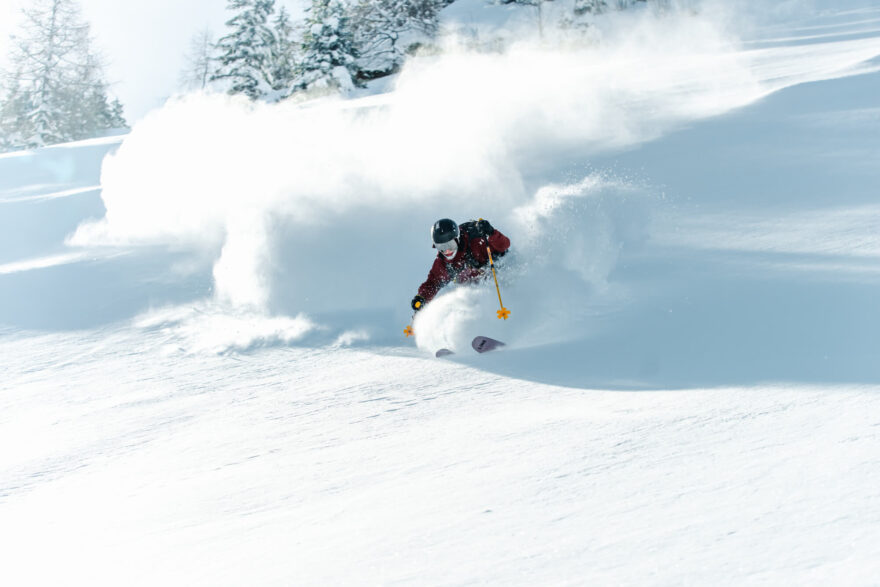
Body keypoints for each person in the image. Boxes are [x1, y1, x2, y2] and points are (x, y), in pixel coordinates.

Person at [411, 218, 511, 312]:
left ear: (457, 239)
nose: (447, 251)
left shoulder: (476, 240)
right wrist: (422, 297)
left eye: (450, 245)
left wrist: (491, 232)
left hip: (499, 275)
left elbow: (504, 245)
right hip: (476, 293)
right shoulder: (443, 262)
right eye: (441, 247)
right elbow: (433, 283)